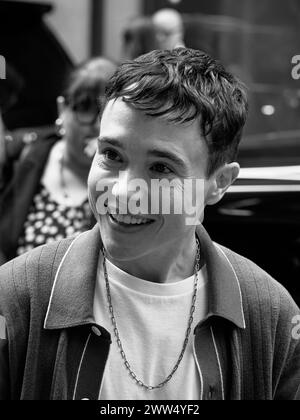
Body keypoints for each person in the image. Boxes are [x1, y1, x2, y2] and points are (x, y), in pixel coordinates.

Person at [0, 48, 299, 400]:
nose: (124, 192)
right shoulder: (18, 299)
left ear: (218, 183)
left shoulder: (272, 316)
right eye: (112, 155)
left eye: (161, 167)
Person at [0, 57, 116, 263]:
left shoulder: (126, 181)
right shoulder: (22, 155)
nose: (96, 125)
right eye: (85, 107)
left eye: (107, 111)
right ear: (62, 108)